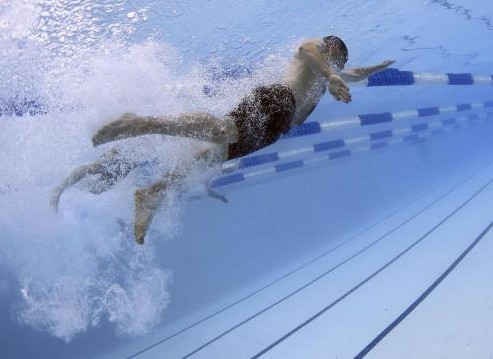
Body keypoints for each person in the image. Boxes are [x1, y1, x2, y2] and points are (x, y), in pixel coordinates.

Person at [66, 36, 393, 244]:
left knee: (212, 156)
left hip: (274, 130)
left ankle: (154, 192)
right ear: (330, 48)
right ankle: (139, 123)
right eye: (336, 59)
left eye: (339, 64)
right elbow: (307, 52)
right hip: (277, 100)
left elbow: (354, 73)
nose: (337, 66)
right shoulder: (318, 50)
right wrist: (332, 74)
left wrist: (375, 68)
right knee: (223, 131)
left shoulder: (329, 76)